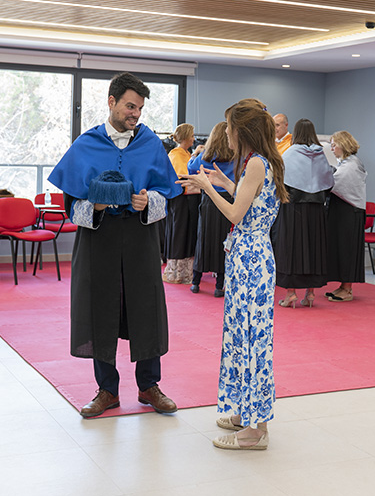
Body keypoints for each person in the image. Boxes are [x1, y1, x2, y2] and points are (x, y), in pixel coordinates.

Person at [47, 72, 184, 418]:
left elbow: (166, 195)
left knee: (146, 306)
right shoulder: (86, 144)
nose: (135, 114)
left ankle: (149, 385)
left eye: (139, 108)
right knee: (100, 307)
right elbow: (70, 206)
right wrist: (94, 206)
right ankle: (107, 389)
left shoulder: (151, 144)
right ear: (112, 102)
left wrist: (148, 201)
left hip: (141, 236)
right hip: (99, 237)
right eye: (129, 106)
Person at [181, 98, 286, 450]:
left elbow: (236, 214)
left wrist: (208, 187)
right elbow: (249, 200)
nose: (225, 133)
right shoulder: (261, 161)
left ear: (242, 131)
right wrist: (225, 181)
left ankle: (256, 429)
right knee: (245, 336)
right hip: (250, 256)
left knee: (252, 339)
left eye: (228, 127)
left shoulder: (255, 163)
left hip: (251, 259)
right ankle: (247, 415)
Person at [274, 118, 332, 308]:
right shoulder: (321, 154)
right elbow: (329, 183)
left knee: (291, 249)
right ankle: (310, 293)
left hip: (293, 209)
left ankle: (290, 293)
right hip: (316, 210)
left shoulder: (290, 153)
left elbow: (280, 181)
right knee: (313, 249)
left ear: (296, 133)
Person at [188, 121, 235, 297]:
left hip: (209, 200)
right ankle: (219, 285)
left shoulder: (206, 156)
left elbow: (191, 169)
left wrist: (195, 154)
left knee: (203, 239)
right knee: (224, 242)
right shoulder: (236, 157)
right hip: (228, 201)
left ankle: (196, 282)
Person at [324, 130, 367, 302]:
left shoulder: (352, 165)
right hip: (343, 212)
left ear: (344, 145)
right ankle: (343, 286)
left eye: (334, 145)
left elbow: (334, 184)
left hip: (350, 213)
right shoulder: (345, 163)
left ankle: (347, 289)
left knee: (347, 250)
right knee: (341, 249)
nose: (332, 149)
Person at [162, 123, 200, 284]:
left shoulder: (186, 153)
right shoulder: (176, 155)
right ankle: (176, 272)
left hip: (189, 200)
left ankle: (186, 272)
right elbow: (182, 177)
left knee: (188, 233)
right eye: (191, 136)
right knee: (179, 233)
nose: (193, 139)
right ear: (185, 137)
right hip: (180, 200)